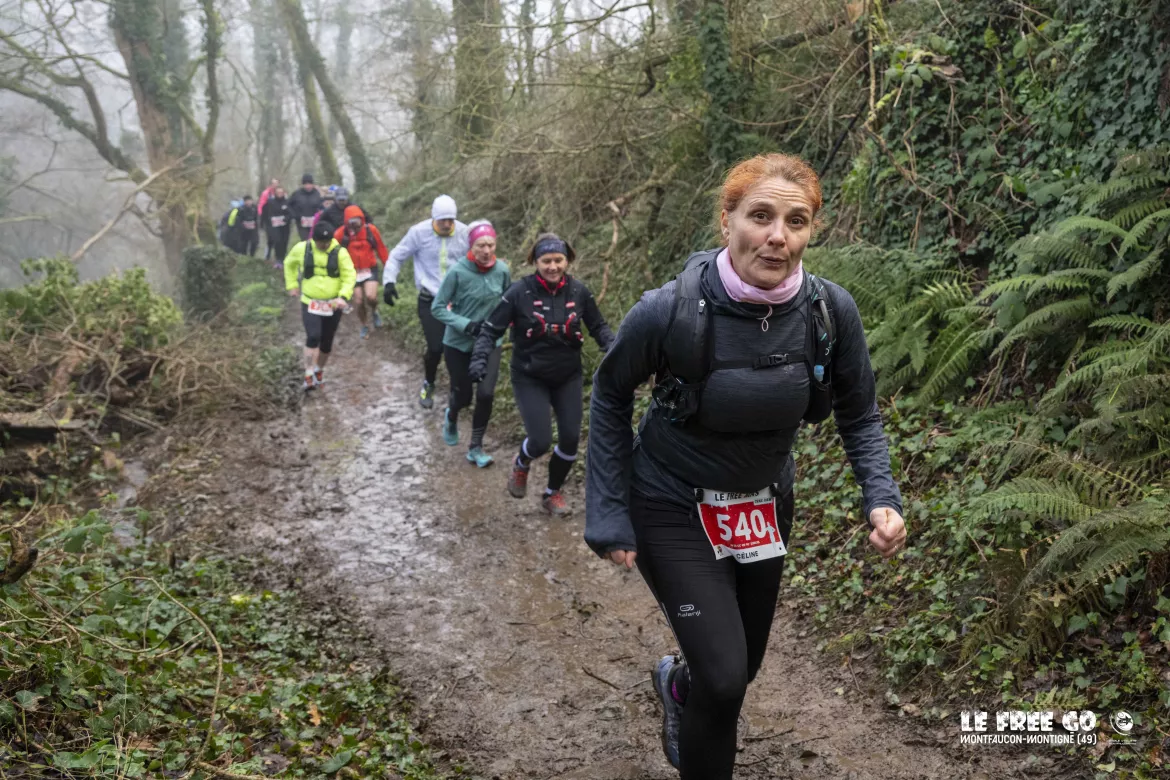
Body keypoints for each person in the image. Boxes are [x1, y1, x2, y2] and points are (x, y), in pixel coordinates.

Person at [583, 153, 908, 778]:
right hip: (670, 502)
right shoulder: (669, 309)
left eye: (796, 221)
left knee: (739, 668)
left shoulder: (829, 312)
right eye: (760, 216)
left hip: (762, 506)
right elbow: (611, 391)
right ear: (726, 220)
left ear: (811, 231)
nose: (777, 236)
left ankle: (679, 686)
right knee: (726, 676)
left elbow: (860, 413)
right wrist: (608, 509)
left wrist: (881, 496)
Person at [469, 232, 614, 515]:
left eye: (558, 260)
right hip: (529, 375)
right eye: (546, 261)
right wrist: (479, 359)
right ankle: (522, 462)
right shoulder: (518, 293)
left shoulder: (579, 292)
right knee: (540, 441)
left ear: (567, 261)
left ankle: (552, 493)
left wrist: (616, 351)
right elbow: (490, 330)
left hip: (567, 376)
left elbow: (599, 327)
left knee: (570, 439)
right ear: (535, 262)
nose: (553, 266)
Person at [432, 221, 511, 468]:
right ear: (471, 246)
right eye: (480, 245)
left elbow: (509, 302)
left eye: (490, 245)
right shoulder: (457, 272)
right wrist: (466, 325)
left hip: (490, 343)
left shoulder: (502, 270)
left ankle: (476, 447)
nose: (486, 251)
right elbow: (437, 308)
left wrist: (510, 325)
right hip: (458, 344)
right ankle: (452, 413)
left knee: (486, 394)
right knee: (464, 397)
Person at [382, 194, 469, 409]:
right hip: (430, 299)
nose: (447, 225)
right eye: (442, 221)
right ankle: (429, 382)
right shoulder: (418, 233)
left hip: (458, 301)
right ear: (433, 219)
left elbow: (477, 259)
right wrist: (389, 282)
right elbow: (397, 256)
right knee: (436, 347)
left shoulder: (465, 233)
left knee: (457, 348)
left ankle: (457, 389)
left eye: (451, 220)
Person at [284, 221, 356, 391]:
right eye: (320, 243)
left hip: (332, 304)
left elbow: (349, 275)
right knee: (313, 336)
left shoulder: (340, 253)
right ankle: (308, 374)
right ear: (313, 240)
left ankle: (319, 370)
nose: (324, 245)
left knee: (326, 341)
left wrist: (343, 296)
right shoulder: (302, 248)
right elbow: (289, 264)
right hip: (310, 302)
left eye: (327, 242)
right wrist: (292, 285)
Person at [334, 205, 389, 339]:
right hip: (351, 272)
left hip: (369, 268)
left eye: (357, 221)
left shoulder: (371, 230)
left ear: (362, 220)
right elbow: (333, 254)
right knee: (358, 302)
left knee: (371, 297)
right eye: (351, 222)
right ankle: (364, 325)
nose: (355, 226)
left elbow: (381, 248)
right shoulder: (340, 234)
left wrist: (388, 266)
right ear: (347, 222)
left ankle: (375, 311)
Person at [262, 186, 292, 270]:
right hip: (274, 227)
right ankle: (278, 259)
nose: (280, 194)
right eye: (278, 192)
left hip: (285, 227)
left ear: (284, 193)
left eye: (281, 192)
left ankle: (283, 258)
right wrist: (268, 222)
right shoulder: (270, 202)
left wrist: (286, 218)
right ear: (275, 193)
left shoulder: (287, 202)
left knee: (284, 242)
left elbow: (291, 213)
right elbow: (265, 213)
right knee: (277, 241)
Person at [288, 173, 323, 241]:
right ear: (303, 184)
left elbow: (322, 206)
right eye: (306, 184)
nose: (308, 186)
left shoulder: (317, 193)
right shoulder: (297, 194)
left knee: (315, 240)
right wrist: (295, 216)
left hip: (314, 222)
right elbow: (289, 205)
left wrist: (319, 215)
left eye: (309, 184)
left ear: (312, 184)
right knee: (305, 241)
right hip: (302, 223)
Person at [258, 178, 280, 260]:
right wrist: (261, 217)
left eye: (276, 183)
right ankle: (267, 255)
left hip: (278, 218)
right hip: (268, 218)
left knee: (278, 238)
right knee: (270, 237)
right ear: (271, 184)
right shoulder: (266, 193)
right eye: (273, 184)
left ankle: (278, 255)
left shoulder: (280, 192)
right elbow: (261, 205)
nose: (275, 185)